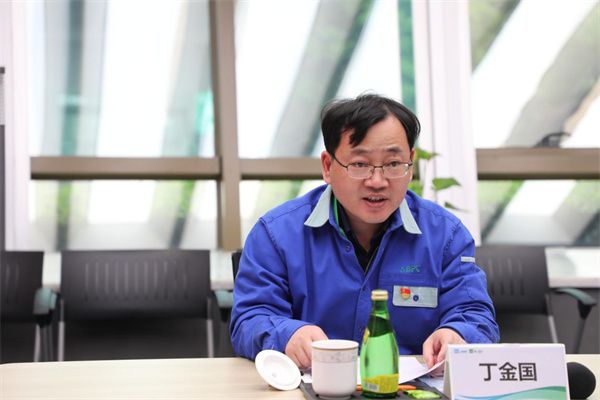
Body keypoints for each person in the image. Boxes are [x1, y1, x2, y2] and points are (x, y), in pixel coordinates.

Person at [230, 94, 499, 370]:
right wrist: (288, 334)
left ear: (410, 164)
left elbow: (475, 315)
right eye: (360, 164)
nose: (377, 181)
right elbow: (249, 319)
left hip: (409, 387)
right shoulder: (276, 234)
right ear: (328, 166)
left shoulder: (446, 236)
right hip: (312, 384)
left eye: (393, 164)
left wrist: (457, 333)